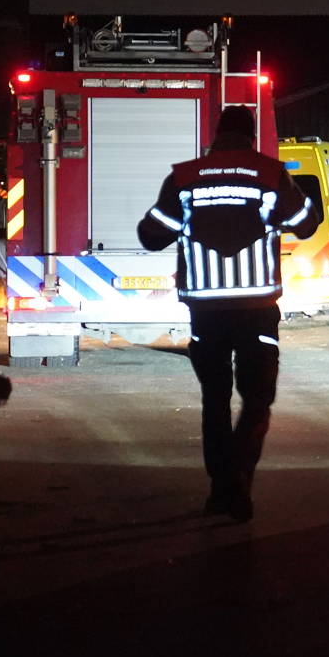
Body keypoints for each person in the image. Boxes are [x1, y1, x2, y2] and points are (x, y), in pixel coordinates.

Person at [137, 105, 307, 522]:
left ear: (216, 135)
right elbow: (305, 223)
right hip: (256, 310)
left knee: (214, 399)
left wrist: (190, 222)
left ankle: (219, 488)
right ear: (251, 137)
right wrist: (273, 217)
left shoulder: (185, 177)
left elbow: (150, 235)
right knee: (256, 400)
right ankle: (239, 482)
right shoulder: (271, 173)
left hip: (207, 312)